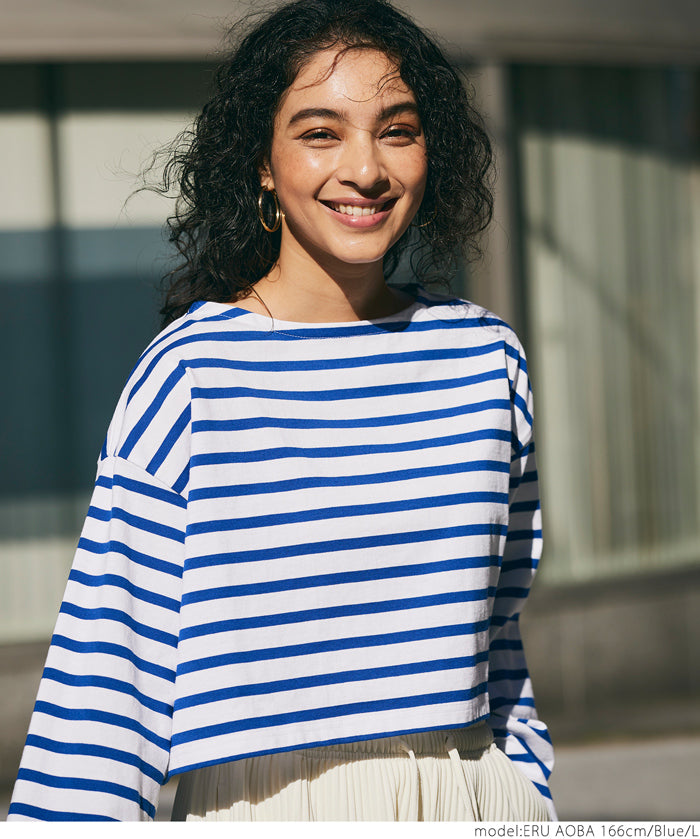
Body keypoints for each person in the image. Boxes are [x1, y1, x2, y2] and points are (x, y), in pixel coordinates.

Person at [8, 0, 555, 822]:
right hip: (271, 809)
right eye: (320, 133)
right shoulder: (191, 374)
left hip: (474, 798)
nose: (365, 168)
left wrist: (530, 792)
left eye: (397, 130)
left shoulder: (484, 359)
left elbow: (498, 632)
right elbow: (110, 669)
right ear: (262, 162)